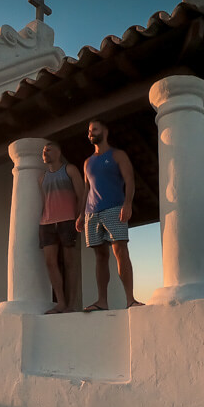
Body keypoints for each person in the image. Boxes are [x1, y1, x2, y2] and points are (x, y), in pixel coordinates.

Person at [75, 120, 144, 311]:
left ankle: (130, 299)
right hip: (91, 213)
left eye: (94, 129)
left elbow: (129, 180)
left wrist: (128, 203)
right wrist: (81, 215)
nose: (90, 133)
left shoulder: (117, 155)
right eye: (89, 131)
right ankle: (102, 302)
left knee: (120, 251)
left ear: (105, 131)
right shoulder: (87, 162)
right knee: (100, 256)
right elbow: (87, 190)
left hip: (114, 208)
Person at [39, 141, 84, 314]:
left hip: (68, 221)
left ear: (58, 152)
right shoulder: (41, 178)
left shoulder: (70, 170)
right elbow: (45, 201)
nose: (45, 153)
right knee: (50, 263)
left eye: (48, 150)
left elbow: (81, 195)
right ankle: (61, 303)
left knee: (70, 262)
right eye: (44, 151)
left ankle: (71, 304)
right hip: (47, 223)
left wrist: (80, 216)